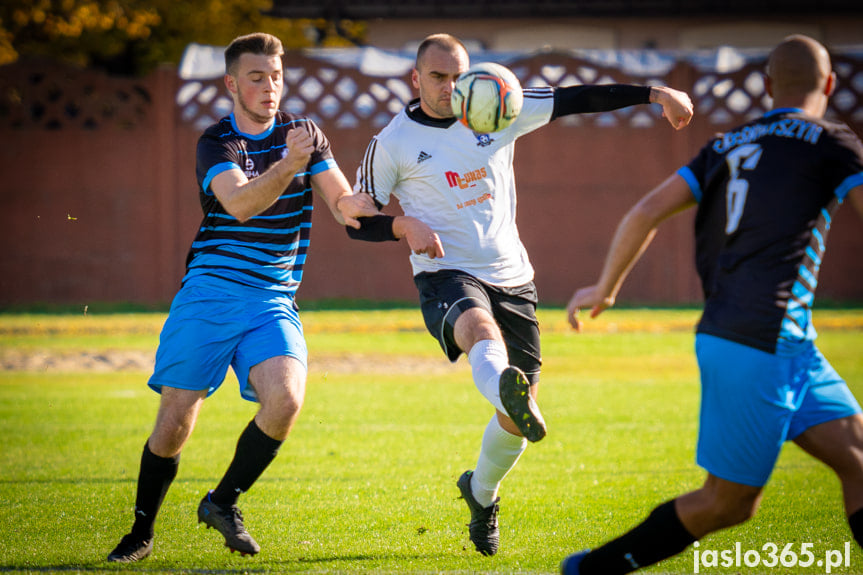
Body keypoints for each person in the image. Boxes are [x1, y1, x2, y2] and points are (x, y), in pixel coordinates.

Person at [346, 32, 694, 556]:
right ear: (415, 79)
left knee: (517, 416)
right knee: (478, 330)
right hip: (446, 272)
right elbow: (357, 221)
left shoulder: (497, 102)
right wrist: (402, 226)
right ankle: (501, 382)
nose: (449, 87)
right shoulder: (391, 142)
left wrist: (654, 93)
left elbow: (577, 99)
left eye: (456, 76)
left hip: (514, 276)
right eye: (437, 77)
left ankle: (481, 494)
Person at [560, 34, 863, 575]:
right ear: (831, 86)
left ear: (768, 87)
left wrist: (606, 288)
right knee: (728, 503)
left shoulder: (726, 144)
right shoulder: (834, 142)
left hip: (784, 344)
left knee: (859, 464)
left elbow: (645, 211)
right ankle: (593, 570)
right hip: (757, 341)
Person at [106, 32, 377, 563]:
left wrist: (362, 206)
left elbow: (342, 202)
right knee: (176, 418)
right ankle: (141, 530)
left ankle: (222, 502)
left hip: (272, 297)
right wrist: (287, 165)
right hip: (209, 291)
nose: (269, 87)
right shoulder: (217, 142)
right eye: (256, 77)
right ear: (232, 84)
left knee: (287, 400)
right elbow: (239, 205)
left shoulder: (305, 136)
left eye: (276, 76)